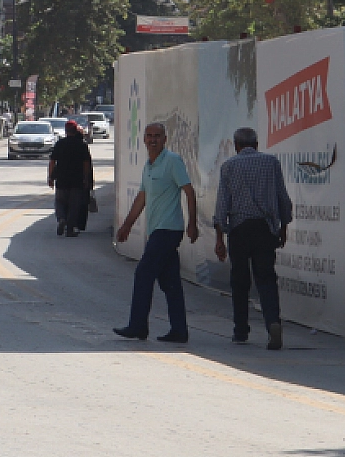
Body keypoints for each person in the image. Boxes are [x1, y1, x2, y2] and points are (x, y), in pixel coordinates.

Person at [114, 122, 199, 343]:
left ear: (165, 139)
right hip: (157, 230)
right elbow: (142, 197)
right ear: (144, 139)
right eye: (149, 136)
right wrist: (127, 225)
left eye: (157, 136)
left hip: (169, 229)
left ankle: (138, 326)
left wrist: (192, 223)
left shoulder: (172, 161)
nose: (152, 140)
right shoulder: (149, 166)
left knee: (143, 273)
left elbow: (189, 192)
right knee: (170, 282)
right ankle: (179, 330)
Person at [213, 126, 294, 350]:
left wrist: (219, 238)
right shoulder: (271, 163)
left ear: (236, 145)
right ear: (257, 145)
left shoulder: (229, 166)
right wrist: (283, 227)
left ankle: (240, 331)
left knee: (240, 282)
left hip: (239, 230)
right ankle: (273, 323)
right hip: (265, 229)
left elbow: (222, 205)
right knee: (266, 279)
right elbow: (283, 199)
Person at [48, 119, 94, 237]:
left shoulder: (60, 144)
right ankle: (70, 228)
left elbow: (52, 161)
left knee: (60, 202)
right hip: (76, 180)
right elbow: (86, 164)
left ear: (66, 131)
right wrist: (86, 178)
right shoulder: (82, 145)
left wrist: (50, 177)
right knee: (74, 205)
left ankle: (61, 218)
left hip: (61, 179)